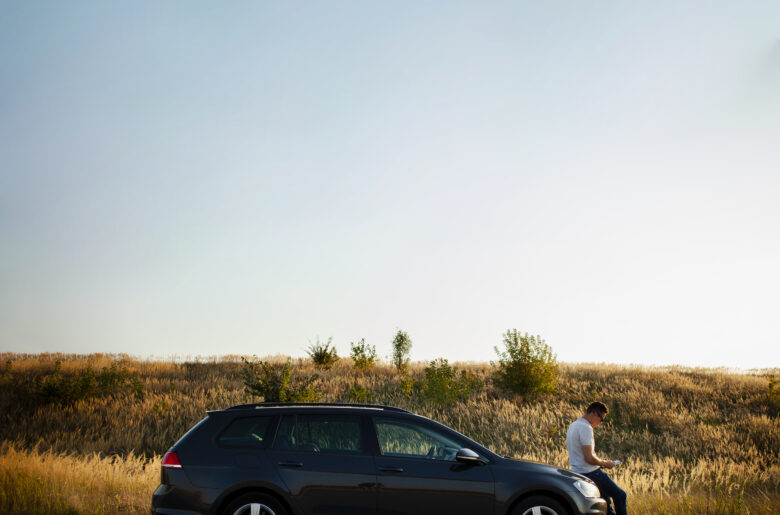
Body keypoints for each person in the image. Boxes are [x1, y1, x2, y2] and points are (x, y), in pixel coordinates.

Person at [566, 402, 627, 515]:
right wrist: (606, 463)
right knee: (620, 495)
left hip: (578, 472)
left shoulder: (573, 425)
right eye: (601, 419)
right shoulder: (586, 427)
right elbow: (589, 457)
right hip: (591, 472)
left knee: (605, 504)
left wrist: (601, 463)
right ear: (594, 413)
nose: (600, 422)